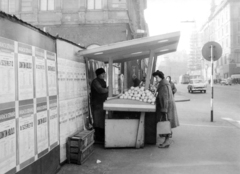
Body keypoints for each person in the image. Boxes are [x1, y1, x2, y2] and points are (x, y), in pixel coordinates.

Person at [152, 70, 179, 148]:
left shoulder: (163, 85)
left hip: (166, 107)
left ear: (160, 77)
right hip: (168, 106)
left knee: (166, 124)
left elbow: (165, 98)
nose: (156, 79)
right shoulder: (164, 83)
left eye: (156, 77)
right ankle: (166, 140)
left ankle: (167, 141)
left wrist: (164, 109)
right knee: (167, 124)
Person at [90, 68, 108, 142]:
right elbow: (100, 90)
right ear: (98, 75)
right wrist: (108, 89)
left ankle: (101, 137)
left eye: (104, 73)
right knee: (97, 121)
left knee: (102, 121)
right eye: (102, 74)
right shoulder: (95, 82)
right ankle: (98, 138)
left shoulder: (103, 81)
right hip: (96, 104)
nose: (103, 75)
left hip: (102, 103)